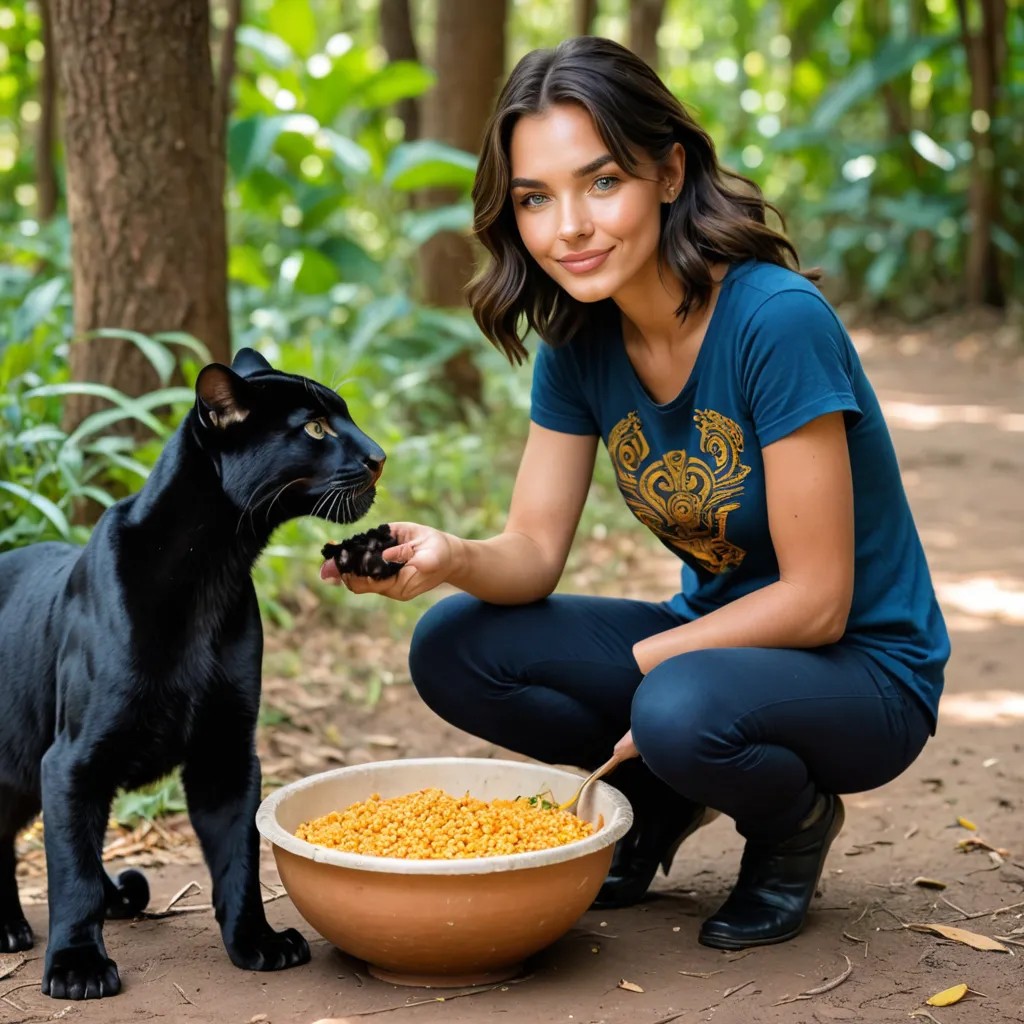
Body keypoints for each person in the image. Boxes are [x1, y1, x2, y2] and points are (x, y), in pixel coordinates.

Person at [325, 36, 950, 949]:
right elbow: (534, 554)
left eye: (601, 182)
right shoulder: (579, 341)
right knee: (455, 645)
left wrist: (663, 660)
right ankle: (657, 800)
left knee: (675, 706)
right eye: (536, 198)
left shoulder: (774, 322)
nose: (568, 227)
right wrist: (450, 558)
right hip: (716, 649)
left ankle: (790, 827)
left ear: (669, 172)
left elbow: (819, 604)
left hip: (866, 670)